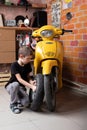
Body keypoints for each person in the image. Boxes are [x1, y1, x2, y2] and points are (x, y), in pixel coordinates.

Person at [5, 46, 36, 114]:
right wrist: (32, 87)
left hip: (21, 88)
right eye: (28, 58)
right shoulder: (14, 65)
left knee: (26, 103)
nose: (29, 60)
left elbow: (28, 77)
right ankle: (13, 104)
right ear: (21, 56)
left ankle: (18, 100)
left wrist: (31, 81)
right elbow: (19, 80)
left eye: (30, 59)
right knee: (15, 84)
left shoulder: (27, 65)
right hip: (11, 86)